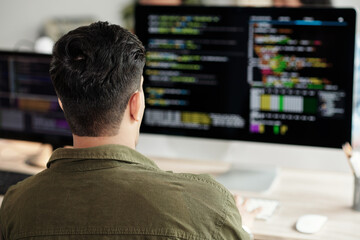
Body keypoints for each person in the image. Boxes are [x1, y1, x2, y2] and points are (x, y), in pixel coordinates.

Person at [0, 21, 256, 240]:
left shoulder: (16, 205)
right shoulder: (208, 204)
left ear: (61, 105)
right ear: (136, 104)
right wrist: (242, 228)